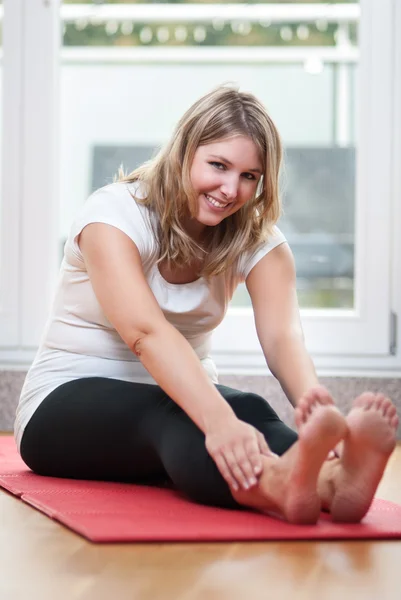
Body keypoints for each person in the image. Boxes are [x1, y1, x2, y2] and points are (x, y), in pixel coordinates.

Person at [14, 85, 398, 525]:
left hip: (179, 393)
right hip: (60, 406)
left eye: (249, 176)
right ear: (184, 152)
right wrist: (216, 419)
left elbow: (282, 338)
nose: (230, 189)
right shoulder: (113, 216)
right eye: (218, 165)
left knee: (249, 408)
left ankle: (335, 480)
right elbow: (145, 334)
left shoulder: (257, 240)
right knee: (185, 415)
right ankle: (276, 485)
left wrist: (315, 406)